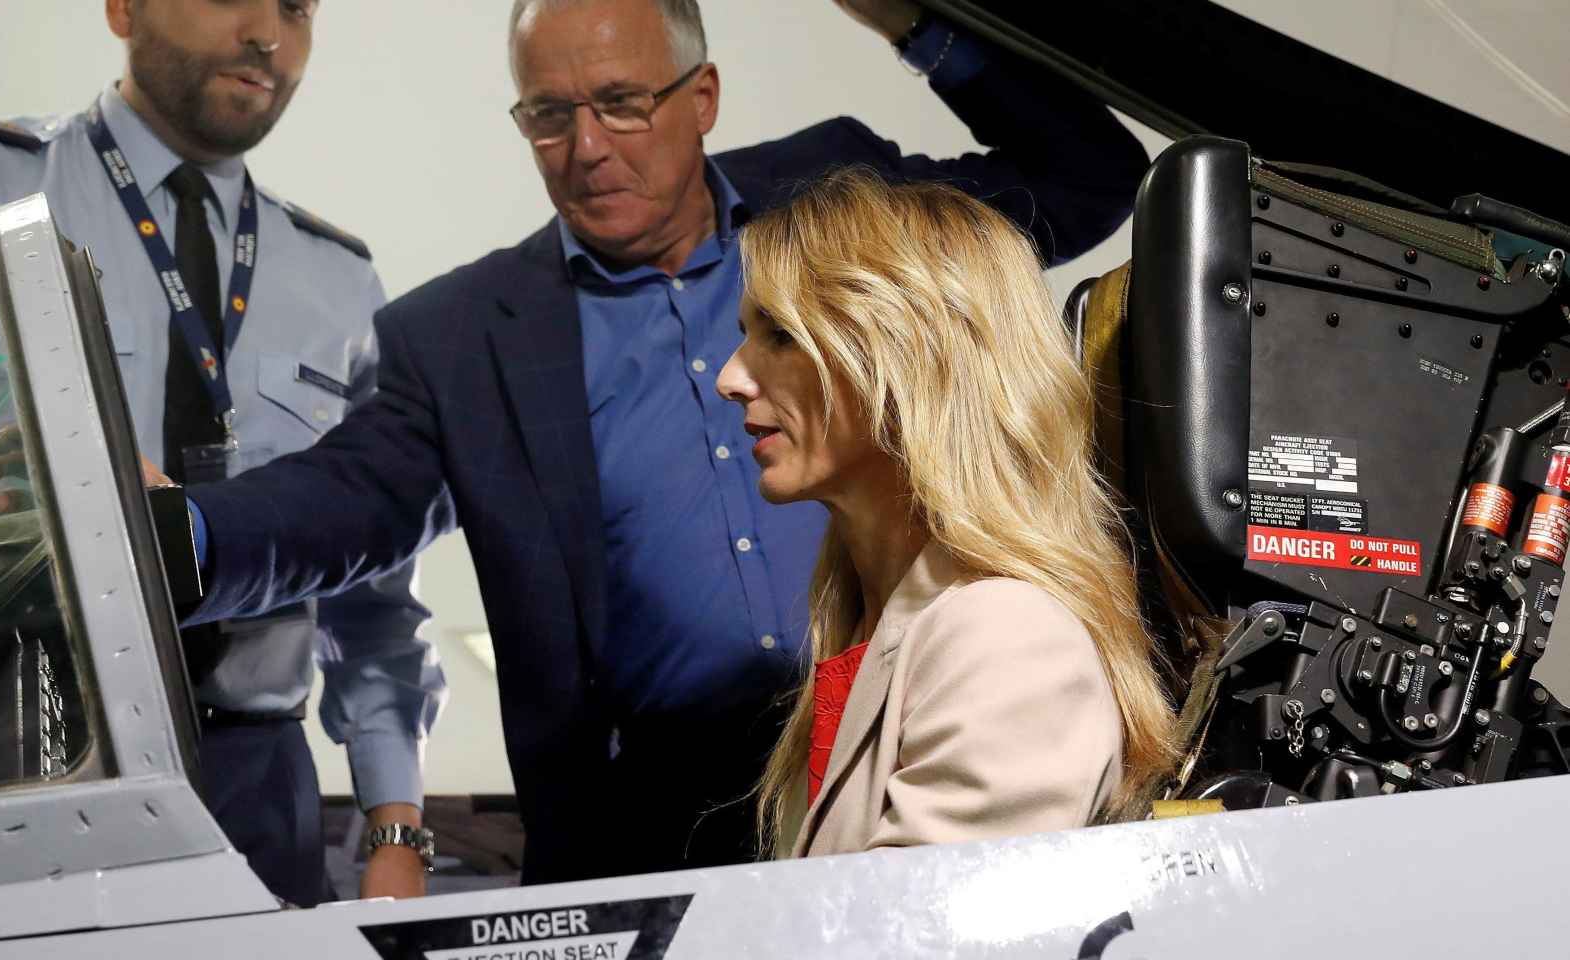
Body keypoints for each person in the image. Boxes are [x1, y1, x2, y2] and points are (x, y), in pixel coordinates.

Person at [181, 0, 1149, 883]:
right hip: (647, 852)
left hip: (901, 745)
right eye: (548, 116)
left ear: (703, 99)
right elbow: (333, 507)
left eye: (619, 103)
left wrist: (915, 23)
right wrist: (159, 536)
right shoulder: (462, 338)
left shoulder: (838, 212)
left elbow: (1085, 177)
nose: (586, 147)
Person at [0, 0, 445, 905]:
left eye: (297, 8)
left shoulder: (337, 278)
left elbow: (373, 588)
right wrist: (72, 473)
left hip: (258, 781)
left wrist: (395, 821)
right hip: (5, 754)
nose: (267, 33)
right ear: (123, 7)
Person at [716, 169, 1179, 856]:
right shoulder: (874, 626)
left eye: (779, 335)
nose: (731, 376)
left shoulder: (1005, 638)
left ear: (910, 358)